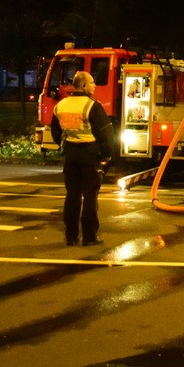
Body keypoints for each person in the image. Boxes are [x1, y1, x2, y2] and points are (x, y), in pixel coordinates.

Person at [50, 71, 116, 246]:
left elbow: (55, 132)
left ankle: (71, 236)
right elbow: (106, 134)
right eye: (92, 83)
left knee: (72, 196)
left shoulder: (61, 105)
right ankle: (89, 236)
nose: (95, 86)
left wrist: (65, 144)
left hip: (71, 155)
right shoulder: (92, 106)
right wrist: (107, 154)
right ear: (84, 86)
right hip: (89, 155)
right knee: (90, 197)